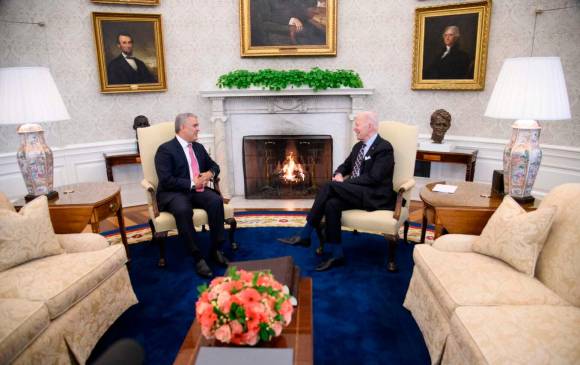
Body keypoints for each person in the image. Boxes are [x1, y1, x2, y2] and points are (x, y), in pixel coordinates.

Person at [278, 111, 396, 271]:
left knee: (328, 186)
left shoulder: (384, 148)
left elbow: (374, 178)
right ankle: (336, 253)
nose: (355, 128)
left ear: (369, 126)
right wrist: (339, 173)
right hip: (356, 192)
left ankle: (305, 233)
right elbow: (345, 165)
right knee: (332, 204)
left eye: (357, 125)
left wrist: (345, 182)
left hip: (374, 196)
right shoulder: (358, 147)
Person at [154, 113, 228, 278]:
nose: (198, 129)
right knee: (183, 210)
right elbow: (166, 180)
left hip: (196, 191)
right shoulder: (165, 150)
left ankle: (216, 249)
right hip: (174, 193)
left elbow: (214, 166)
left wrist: (209, 174)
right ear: (182, 128)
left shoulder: (198, 147)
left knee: (216, 201)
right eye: (194, 126)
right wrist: (193, 183)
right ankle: (198, 257)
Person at [250, 0, 324, 46]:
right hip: (277, 34)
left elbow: (296, 3)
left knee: (321, 33)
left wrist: (317, 3)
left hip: (298, 27)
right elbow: (264, 19)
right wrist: (289, 20)